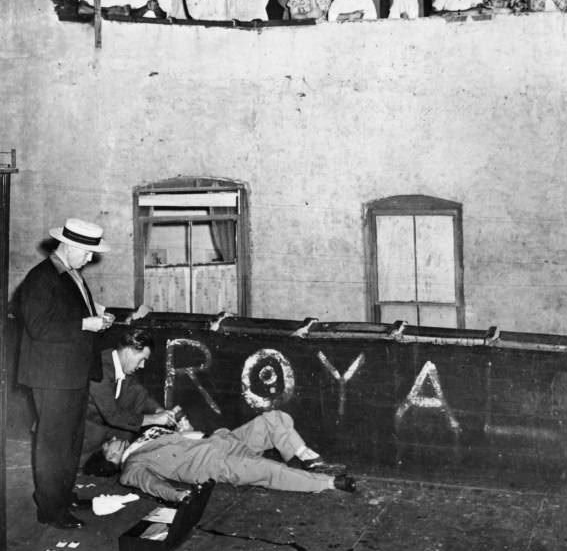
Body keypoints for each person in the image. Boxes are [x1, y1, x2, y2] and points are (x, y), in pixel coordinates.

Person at [17, 218, 114, 529]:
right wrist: (86, 324)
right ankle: (50, 509)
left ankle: (61, 495)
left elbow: (64, 311)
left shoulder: (70, 273)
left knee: (71, 440)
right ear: (70, 247)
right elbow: (39, 325)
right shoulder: (41, 278)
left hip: (70, 372)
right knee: (53, 443)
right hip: (52, 376)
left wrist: (94, 312)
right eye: (87, 253)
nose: (90, 259)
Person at [84, 410, 357, 500]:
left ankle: (308, 459)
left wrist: (184, 428)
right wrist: (176, 495)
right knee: (268, 471)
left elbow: (183, 439)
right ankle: (327, 482)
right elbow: (151, 484)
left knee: (274, 418)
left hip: (222, 440)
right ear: (107, 459)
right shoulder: (131, 468)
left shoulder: (142, 437)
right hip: (215, 463)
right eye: (107, 446)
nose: (111, 440)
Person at [83, 330, 178, 462]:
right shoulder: (100, 369)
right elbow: (113, 416)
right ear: (128, 351)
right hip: (86, 449)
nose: (142, 365)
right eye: (142, 359)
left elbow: (139, 393)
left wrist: (160, 411)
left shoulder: (121, 367)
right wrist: (155, 419)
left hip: (104, 442)